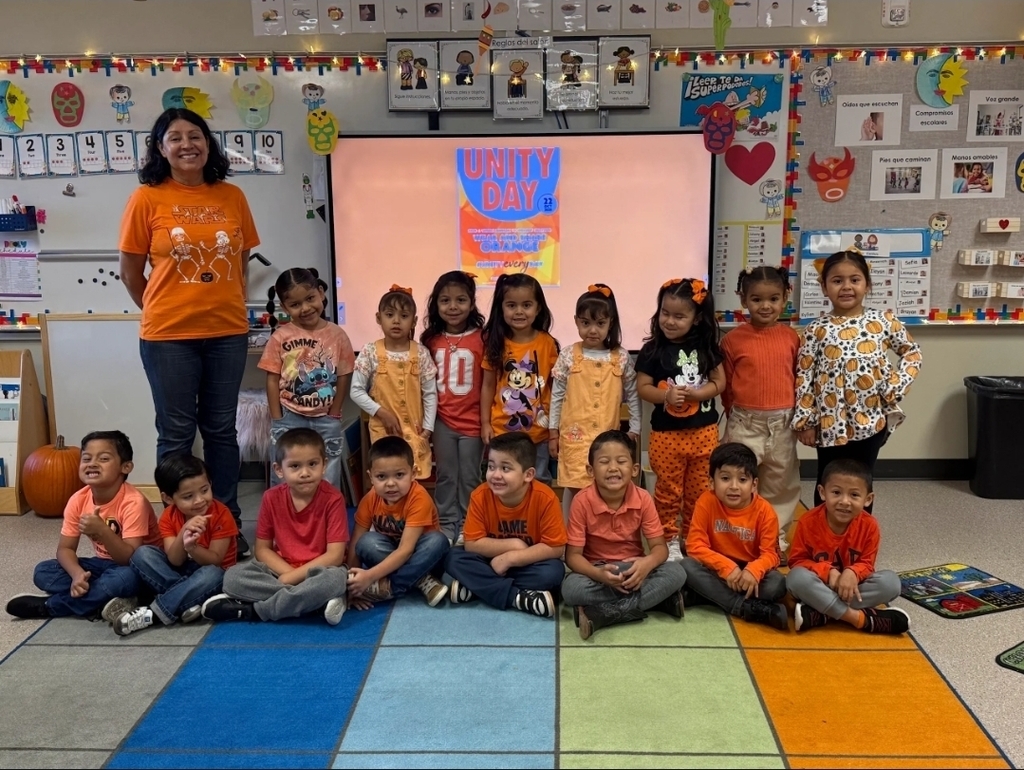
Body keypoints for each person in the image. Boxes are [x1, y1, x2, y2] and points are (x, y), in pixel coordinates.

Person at [119, 108, 260, 558]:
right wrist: (163, 309)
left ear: (207, 143)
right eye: (175, 137)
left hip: (227, 332)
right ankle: (176, 531)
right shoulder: (146, 198)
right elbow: (130, 272)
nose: (187, 144)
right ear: (160, 148)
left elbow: (240, 263)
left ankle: (226, 523)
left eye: (195, 135)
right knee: (176, 433)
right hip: (167, 337)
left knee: (221, 430)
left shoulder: (232, 195)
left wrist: (222, 303)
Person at [793, 251, 922, 510]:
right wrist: (805, 420)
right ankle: (822, 534)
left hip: (870, 420)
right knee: (828, 481)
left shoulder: (884, 321)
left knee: (860, 483)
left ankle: (859, 533)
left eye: (854, 279)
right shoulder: (816, 329)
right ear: (824, 287)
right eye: (837, 280)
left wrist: (895, 386)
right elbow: (804, 375)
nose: (846, 287)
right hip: (830, 422)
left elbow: (912, 352)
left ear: (867, 284)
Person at [6, 431, 160, 621]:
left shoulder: (134, 502)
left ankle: (51, 607)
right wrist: (77, 575)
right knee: (43, 571)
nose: (92, 463)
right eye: (86, 458)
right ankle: (103, 599)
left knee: (125, 578)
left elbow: (129, 559)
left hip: (137, 569)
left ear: (125, 467)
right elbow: (65, 549)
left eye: (104, 458)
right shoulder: (78, 499)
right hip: (102, 566)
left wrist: (102, 530)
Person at [201, 428, 349, 625]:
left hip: (321, 571)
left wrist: (291, 578)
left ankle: (253, 610)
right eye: (295, 466)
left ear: (324, 465)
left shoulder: (333, 499)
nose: (305, 473)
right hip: (281, 569)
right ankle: (314, 604)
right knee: (232, 577)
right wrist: (289, 576)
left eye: (312, 464)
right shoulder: (271, 497)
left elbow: (335, 556)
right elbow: (262, 550)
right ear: (279, 470)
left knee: (334, 581)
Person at [562, 431, 687, 640]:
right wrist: (598, 574)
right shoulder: (582, 501)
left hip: (633, 570)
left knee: (677, 572)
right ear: (591, 470)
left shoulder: (643, 498)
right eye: (604, 462)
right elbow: (572, 556)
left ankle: (603, 613)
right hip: (598, 573)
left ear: (634, 469)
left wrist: (646, 564)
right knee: (570, 589)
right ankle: (658, 601)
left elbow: (660, 549)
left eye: (621, 461)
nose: (613, 468)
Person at [636, 278, 724, 561]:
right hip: (666, 436)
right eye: (665, 313)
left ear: (696, 318)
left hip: (704, 434)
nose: (669, 321)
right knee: (667, 491)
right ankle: (668, 539)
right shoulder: (652, 349)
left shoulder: (707, 347)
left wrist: (698, 394)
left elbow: (719, 382)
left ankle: (693, 537)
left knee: (700, 491)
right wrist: (666, 396)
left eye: (679, 316)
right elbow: (643, 387)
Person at [721, 267, 801, 558]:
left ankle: (773, 539)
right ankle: (737, 536)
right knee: (737, 479)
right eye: (756, 299)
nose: (765, 306)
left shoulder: (792, 338)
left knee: (780, 484)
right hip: (745, 422)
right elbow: (727, 384)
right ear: (743, 300)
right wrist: (733, 412)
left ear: (784, 299)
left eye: (773, 299)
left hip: (783, 424)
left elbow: (798, 378)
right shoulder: (732, 340)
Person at [112, 454, 237, 636]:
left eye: (205, 490)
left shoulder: (221, 514)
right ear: (168, 498)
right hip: (181, 571)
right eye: (188, 496)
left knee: (212, 574)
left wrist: (193, 548)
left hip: (212, 574)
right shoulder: (168, 516)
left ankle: (153, 613)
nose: (199, 500)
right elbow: (174, 560)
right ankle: (186, 600)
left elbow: (216, 561)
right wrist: (184, 531)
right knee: (142, 553)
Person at [444, 433, 566, 617]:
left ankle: (476, 586)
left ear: (528, 475)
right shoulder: (480, 496)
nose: (495, 475)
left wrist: (511, 558)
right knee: (452, 558)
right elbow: (472, 544)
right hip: (488, 561)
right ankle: (518, 598)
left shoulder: (546, 498)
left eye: (505, 468)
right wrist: (513, 545)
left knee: (553, 572)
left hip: (526, 562)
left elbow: (555, 547)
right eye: (491, 466)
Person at [549, 284, 640, 520]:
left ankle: (600, 532)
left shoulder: (620, 357)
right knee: (574, 483)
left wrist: (635, 428)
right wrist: (553, 432)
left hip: (607, 435)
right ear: (576, 321)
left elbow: (633, 394)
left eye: (600, 323)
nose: (592, 330)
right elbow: (557, 396)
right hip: (574, 436)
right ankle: (570, 531)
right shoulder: (568, 355)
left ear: (610, 323)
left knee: (605, 484)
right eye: (585, 323)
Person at [787, 459, 910, 634]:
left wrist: (852, 572)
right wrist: (828, 572)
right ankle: (860, 619)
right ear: (822, 492)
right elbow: (797, 562)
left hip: (852, 588)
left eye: (854, 495)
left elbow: (867, 565)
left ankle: (821, 612)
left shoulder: (870, 525)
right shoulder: (807, 522)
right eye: (836, 492)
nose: (845, 501)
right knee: (795, 578)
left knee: (891, 583)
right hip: (820, 584)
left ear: (868, 499)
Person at [260, 267, 355, 490]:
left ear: (321, 293)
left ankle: (326, 512)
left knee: (328, 475)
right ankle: (283, 512)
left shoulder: (338, 335)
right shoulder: (280, 337)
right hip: (289, 416)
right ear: (285, 307)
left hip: (326, 418)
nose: (305, 308)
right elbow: (272, 379)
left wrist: (335, 412)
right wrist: (277, 418)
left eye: (310, 298)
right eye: (295, 304)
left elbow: (344, 375)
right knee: (285, 475)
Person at [681, 442, 788, 630]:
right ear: (711, 482)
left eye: (742, 480)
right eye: (725, 478)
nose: (733, 486)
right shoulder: (706, 501)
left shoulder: (765, 512)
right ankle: (744, 607)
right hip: (717, 567)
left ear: (754, 485)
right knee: (686, 566)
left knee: (777, 584)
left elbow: (771, 555)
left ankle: (705, 595)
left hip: (749, 572)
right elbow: (695, 546)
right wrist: (726, 567)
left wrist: (753, 571)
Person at [346, 436, 450, 608]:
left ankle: (392, 587)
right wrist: (352, 587)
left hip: (423, 559)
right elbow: (356, 543)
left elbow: (406, 550)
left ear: (413, 473)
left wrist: (369, 577)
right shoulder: (370, 499)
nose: (390, 484)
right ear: (370, 477)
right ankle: (421, 580)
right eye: (381, 477)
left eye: (399, 475)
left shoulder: (419, 498)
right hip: (391, 554)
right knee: (366, 542)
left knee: (437, 541)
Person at [421, 271, 486, 544]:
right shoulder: (430, 340)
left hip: (473, 422)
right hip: (443, 421)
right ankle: (447, 524)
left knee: (470, 476)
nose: (453, 307)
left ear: (471, 303)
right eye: (445, 300)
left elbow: (488, 383)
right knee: (446, 475)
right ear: (436, 304)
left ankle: (469, 525)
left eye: (461, 300)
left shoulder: (483, 338)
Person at [350, 285, 438, 480]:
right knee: (387, 479)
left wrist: (428, 428)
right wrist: (381, 413)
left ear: (414, 321)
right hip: (384, 430)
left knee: (413, 479)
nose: (396, 321)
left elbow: (430, 393)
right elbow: (356, 391)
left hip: (415, 430)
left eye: (404, 316)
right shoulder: (370, 352)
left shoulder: (421, 353)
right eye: (389, 315)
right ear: (378, 318)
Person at [480, 274, 560, 484]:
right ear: (501, 308)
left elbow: (556, 388)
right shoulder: (496, 343)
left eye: (526, 305)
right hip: (502, 432)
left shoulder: (547, 343)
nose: (519, 311)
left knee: (538, 481)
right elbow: (488, 385)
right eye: (511, 305)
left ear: (538, 308)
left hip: (539, 433)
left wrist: (555, 430)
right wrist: (485, 423)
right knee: (503, 481)